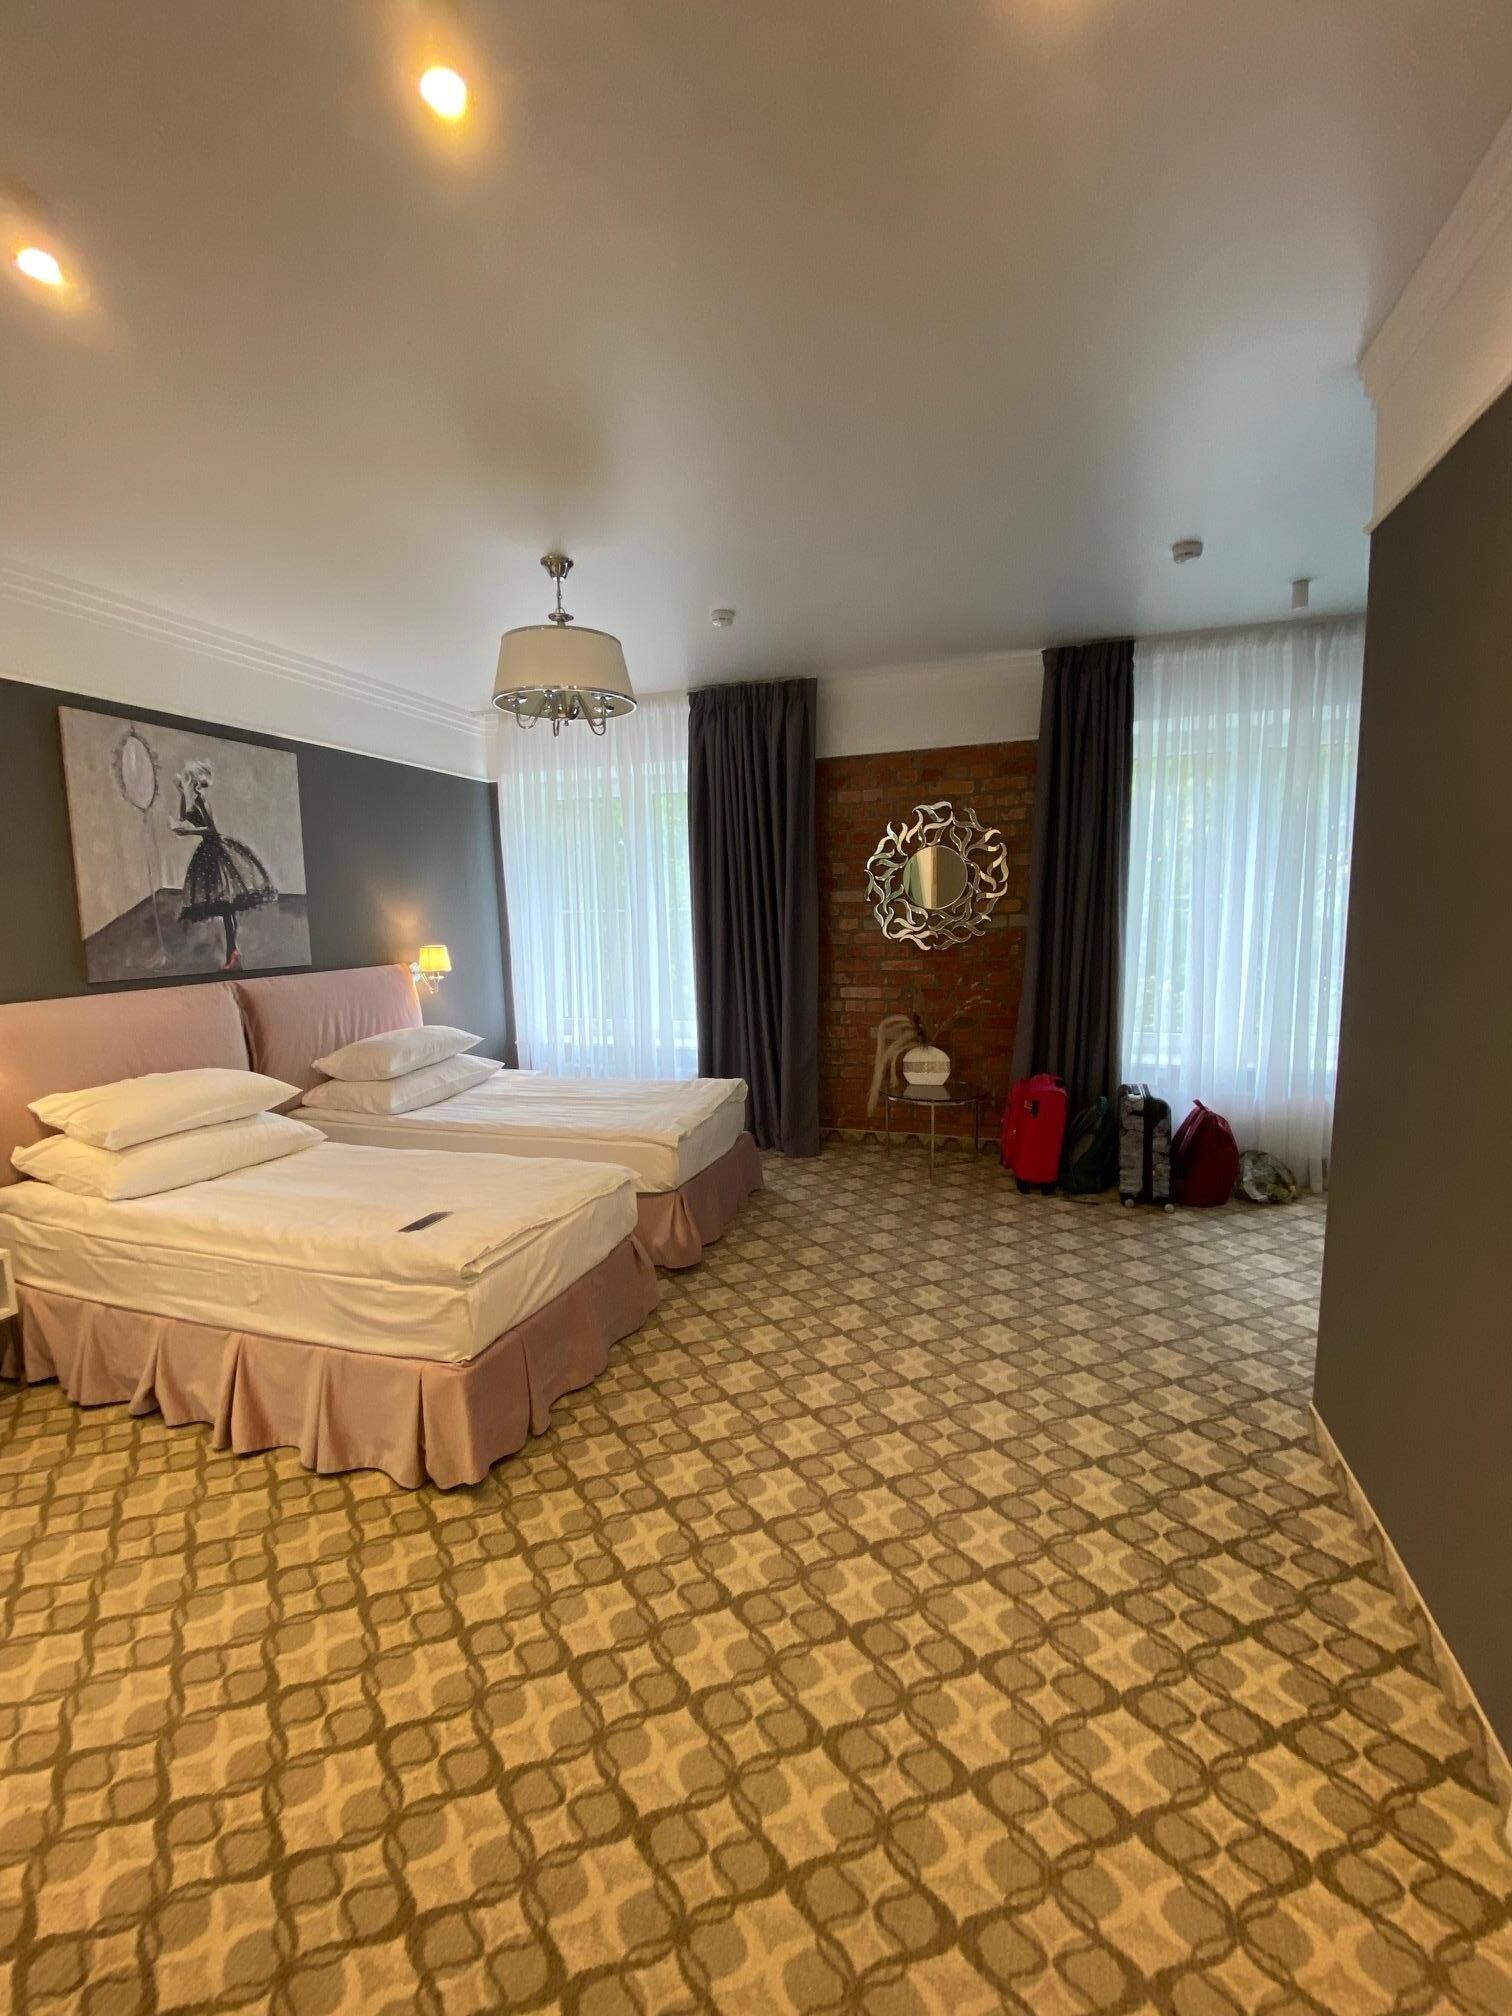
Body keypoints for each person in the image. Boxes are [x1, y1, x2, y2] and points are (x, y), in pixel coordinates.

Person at [171, 759, 278, 971]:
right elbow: (183, 816)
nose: (190, 782)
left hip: (214, 850)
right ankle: (233, 950)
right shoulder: (196, 800)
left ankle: (232, 953)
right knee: (225, 907)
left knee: (227, 906)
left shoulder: (202, 800)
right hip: (207, 852)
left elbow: (211, 829)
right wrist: (181, 793)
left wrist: (188, 832)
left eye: (190, 779)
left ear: (196, 781)